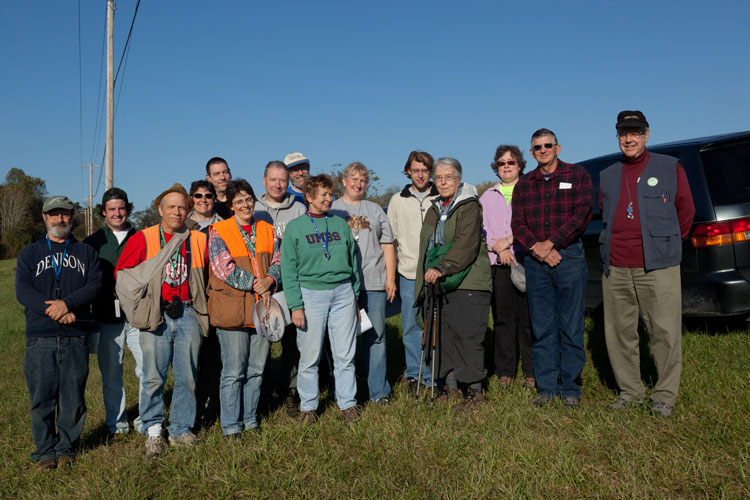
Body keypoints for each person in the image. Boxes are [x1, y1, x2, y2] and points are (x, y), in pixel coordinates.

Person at [599, 111, 695, 417]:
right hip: (615, 266)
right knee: (619, 332)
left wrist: (664, 245)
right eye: (624, 133)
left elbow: (686, 211)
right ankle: (631, 391)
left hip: (658, 266)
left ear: (647, 135)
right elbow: (606, 214)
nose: (629, 139)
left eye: (635, 132)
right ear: (618, 137)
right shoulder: (608, 174)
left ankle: (664, 395)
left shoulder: (669, 167)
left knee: (664, 331)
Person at [115, 183, 209, 458]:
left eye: (182, 207)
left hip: (189, 312)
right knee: (153, 377)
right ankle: (154, 430)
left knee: (187, 376)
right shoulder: (143, 238)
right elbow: (123, 277)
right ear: (160, 209)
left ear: (189, 210)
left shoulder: (198, 238)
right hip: (156, 314)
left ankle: (181, 428)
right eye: (171, 206)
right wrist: (140, 307)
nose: (176, 212)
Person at [16, 196, 102, 470]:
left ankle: (66, 448)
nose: (59, 220)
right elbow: (24, 291)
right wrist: (54, 310)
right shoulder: (29, 253)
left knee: (73, 397)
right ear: (44, 217)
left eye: (64, 214)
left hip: (76, 335)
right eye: (54, 215)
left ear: (72, 217)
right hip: (40, 337)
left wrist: (69, 304)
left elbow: (95, 285)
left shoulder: (85, 252)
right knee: (41, 398)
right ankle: (44, 452)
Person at [511, 129, 593, 409]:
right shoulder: (525, 184)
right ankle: (546, 389)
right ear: (532, 153)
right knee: (543, 327)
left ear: (558, 148)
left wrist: (552, 244)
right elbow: (517, 224)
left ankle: (570, 387)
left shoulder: (577, 175)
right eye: (537, 147)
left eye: (548, 145)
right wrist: (538, 248)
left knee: (570, 326)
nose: (543, 150)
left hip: (568, 256)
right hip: (536, 261)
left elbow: (581, 215)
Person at [280, 174, 362, 425]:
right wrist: (296, 305)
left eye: (330, 194)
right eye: (324, 194)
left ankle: (348, 404)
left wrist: (355, 296)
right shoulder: (295, 228)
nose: (329, 199)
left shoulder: (339, 225)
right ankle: (309, 407)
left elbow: (353, 262)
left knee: (344, 353)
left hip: (342, 293)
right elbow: (288, 270)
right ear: (309, 197)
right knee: (310, 354)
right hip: (311, 294)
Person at [415, 158, 492, 409]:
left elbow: (466, 245)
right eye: (438, 177)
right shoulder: (434, 208)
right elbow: (428, 247)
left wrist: (441, 267)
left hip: (469, 281)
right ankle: (450, 386)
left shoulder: (469, 206)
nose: (443, 181)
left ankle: (475, 392)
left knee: (467, 335)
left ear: (459, 179)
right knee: (443, 335)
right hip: (440, 281)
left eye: (449, 176)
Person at [207, 179, 281, 436]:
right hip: (233, 310)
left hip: (263, 310)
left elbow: (279, 259)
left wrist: (270, 279)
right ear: (230, 205)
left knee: (257, 370)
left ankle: (250, 420)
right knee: (234, 372)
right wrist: (255, 283)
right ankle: (231, 426)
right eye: (239, 201)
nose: (245, 204)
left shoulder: (266, 228)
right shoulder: (219, 230)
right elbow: (221, 266)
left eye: (248, 199)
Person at [331, 162, 396, 406]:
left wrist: (390, 278)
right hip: (342, 286)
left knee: (376, 337)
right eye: (354, 179)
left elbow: (387, 245)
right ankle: (346, 393)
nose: (358, 184)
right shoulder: (333, 209)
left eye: (363, 180)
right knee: (343, 340)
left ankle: (378, 391)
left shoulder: (375, 209)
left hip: (374, 282)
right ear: (344, 181)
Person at [83, 188, 141, 441]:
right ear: (103, 212)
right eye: (112, 209)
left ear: (128, 208)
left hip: (138, 316)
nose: (117, 213)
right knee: (111, 375)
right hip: (106, 317)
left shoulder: (143, 237)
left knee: (147, 370)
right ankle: (116, 424)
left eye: (121, 208)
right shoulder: (92, 243)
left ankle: (146, 419)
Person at [479, 146, 535, 389]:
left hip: (525, 260)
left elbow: (533, 223)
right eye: (501, 163)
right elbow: (481, 230)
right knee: (503, 319)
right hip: (498, 263)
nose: (506, 166)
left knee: (528, 319)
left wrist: (510, 242)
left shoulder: (530, 189)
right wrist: (498, 248)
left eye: (511, 162)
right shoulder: (487, 196)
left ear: (520, 165)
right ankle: (505, 371)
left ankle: (531, 371)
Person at [253, 161, 306, 415]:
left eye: (282, 180)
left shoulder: (298, 209)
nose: (278, 184)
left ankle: (290, 391)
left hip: (290, 284)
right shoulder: (252, 208)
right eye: (273, 179)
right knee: (260, 342)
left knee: (291, 343)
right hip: (259, 285)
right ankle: (260, 393)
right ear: (264, 181)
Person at [387, 151, 439, 395]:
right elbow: (390, 239)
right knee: (411, 327)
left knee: (438, 325)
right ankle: (415, 376)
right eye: (416, 170)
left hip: (438, 272)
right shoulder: (398, 200)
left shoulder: (441, 196)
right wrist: (392, 276)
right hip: (408, 274)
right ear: (408, 171)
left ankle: (437, 375)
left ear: (431, 172)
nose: (420, 174)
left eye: (425, 170)